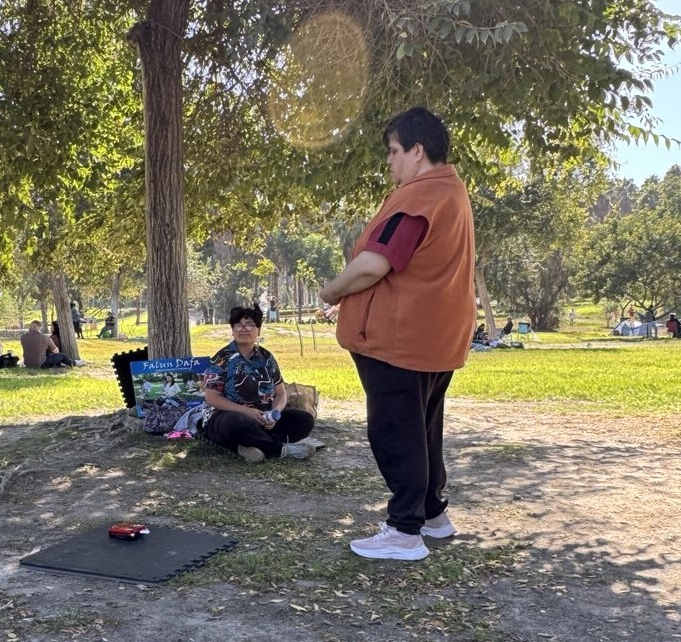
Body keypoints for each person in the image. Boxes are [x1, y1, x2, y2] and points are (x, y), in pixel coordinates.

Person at [320, 107, 475, 561]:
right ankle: (432, 515)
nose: (389, 161)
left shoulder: (419, 198)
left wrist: (331, 291)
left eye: (393, 151)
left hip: (399, 341)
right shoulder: (452, 193)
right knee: (422, 430)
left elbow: (374, 264)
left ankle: (405, 531)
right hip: (435, 338)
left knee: (394, 433)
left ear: (417, 150)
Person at [200, 304, 316, 463]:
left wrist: (274, 414)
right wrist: (246, 411)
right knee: (236, 424)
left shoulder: (267, 358)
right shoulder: (221, 358)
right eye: (238, 325)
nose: (243, 329)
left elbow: (280, 393)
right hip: (227, 417)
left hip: (263, 418)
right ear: (232, 330)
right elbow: (212, 398)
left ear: (258, 330)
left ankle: (250, 445)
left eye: (249, 325)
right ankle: (280, 449)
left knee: (304, 420)